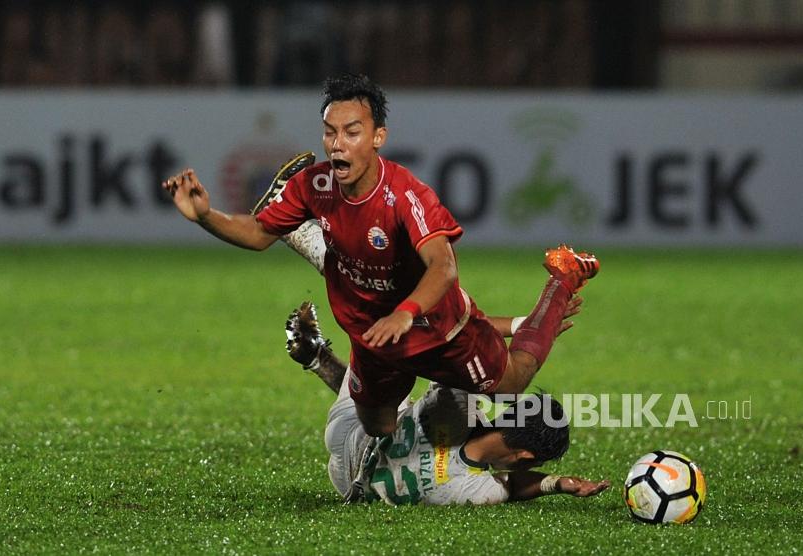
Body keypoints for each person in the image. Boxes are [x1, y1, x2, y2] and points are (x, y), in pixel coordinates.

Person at [162, 73, 599, 437]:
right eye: (330, 133)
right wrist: (204, 215)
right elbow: (258, 233)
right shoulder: (315, 185)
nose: (337, 144)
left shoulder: (406, 195)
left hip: (438, 331)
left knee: (511, 385)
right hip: (373, 337)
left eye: (352, 133)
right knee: (379, 428)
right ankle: (303, 236)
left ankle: (562, 278)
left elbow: (443, 266)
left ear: (377, 137)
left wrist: (406, 313)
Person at [284, 301, 611, 506]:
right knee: (395, 397)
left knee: (395, 367)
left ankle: (320, 351)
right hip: (351, 486)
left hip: (352, 434)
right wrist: (555, 483)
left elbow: (450, 332)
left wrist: (524, 327)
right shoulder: (478, 490)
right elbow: (509, 485)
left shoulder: (460, 403)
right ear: (524, 456)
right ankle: (317, 357)